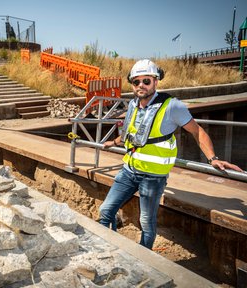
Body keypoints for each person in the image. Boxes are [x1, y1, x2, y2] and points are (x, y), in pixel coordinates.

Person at [99, 59, 243, 249]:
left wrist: (213, 158)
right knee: (105, 211)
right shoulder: (133, 105)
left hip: (153, 177)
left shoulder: (172, 106)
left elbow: (197, 131)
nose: (141, 85)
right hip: (129, 170)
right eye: (136, 82)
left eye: (146, 81)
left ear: (156, 81)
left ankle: (144, 258)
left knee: (146, 223)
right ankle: (105, 248)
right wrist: (114, 142)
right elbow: (131, 134)